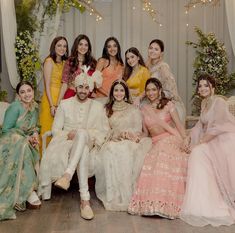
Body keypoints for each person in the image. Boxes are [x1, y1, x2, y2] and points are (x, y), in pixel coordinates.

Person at [38, 67, 109, 220]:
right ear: (75, 88)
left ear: (90, 89)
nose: (83, 90)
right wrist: (68, 134)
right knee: (81, 148)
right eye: (80, 87)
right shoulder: (64, 104)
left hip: (90, 141)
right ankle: (85, 200)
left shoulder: (98, 106)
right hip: (67, 143)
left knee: (83, 133)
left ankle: (67, 174)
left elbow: (103, 131)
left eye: (86, 87)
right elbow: (56, 130)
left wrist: (85, 133)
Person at [128, 78, 189, 219]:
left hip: (171, 139)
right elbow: (145, 132)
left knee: (164, 156)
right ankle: (151, 204)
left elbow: (179, 126)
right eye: (148, 90)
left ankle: (166, 206)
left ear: (159, 90)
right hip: (156, 142)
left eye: (153, 89)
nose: (151, 93)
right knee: (153, 159)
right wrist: (137, 137)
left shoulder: (168, 105)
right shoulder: (145, 110)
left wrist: (185, 140)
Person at [180, 74, 235, 227]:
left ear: (213, 87)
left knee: (197, 153)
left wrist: (200, 143)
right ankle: (199, 204)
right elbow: (200, 125)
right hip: (211, 139)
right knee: (196, 153)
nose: (202, 88)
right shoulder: (204, 103)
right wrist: (188, 138)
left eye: (206, 85)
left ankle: (212, 203)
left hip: (222, 140)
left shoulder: (218, 102)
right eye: (200, 86)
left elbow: (217, 127)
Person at [95, 79, 152, 211]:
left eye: (121, 90)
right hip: (113, 140)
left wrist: (128, 135)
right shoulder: (106, 109)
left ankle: (129, 196)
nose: (119, 93)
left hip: (131, 141)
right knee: (111, 149)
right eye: (116, 90)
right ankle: (114, 196)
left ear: (125, 93)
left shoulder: (133, 109)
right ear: (112, 92)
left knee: (126, 150)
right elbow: (103, 130)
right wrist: (118, 135)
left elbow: (137, 129)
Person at [0, 81, 41, 221]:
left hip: (26, 140)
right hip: (10, 142)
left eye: (29, 90)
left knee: (28, 146)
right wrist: (25, 138)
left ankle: (27, 190)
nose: (26, 94)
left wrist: (34, 135)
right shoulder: (15, 107)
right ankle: (28, 193)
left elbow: (35, 127)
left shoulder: (34, 108)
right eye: (22, 92)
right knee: (23, 146)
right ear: (18, 95)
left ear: (33, 91)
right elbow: (5, 129)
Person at [146, 39, 186, 123]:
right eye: (151, 48)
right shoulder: (146, 66)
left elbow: (171, 90)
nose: (152, 51)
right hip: (148, 99)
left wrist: (157, 96)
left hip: (162, 101)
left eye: (156, 49)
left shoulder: (163, 67)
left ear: (161, 53)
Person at [39, 36, 68, 146]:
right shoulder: (49, 61)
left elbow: (65, 83)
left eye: (64, 46)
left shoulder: (65, 62)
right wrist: (52, 105)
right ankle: (44, 157)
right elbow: (46, 85)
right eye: (59, 45)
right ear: (54, 47)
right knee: (48, 127)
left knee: (59, 129)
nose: (62, 48)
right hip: (50, 97)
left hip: (61, 97)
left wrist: (59, 103)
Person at [57, 34, 100, 103]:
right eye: (80, 44)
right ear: (76, 47)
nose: (83, 47)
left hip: (87, 97)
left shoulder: (93, 63)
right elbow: (65, 83)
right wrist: (58, 103)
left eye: (86, 45)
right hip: (71, 96)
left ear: (88, 48)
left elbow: (95, 83)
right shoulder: (70, 61)